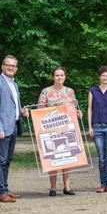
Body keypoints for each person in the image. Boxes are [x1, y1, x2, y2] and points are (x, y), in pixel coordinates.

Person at [0, 55, 29, 202]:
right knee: (0, 160)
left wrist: (21, 113)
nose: (10, 68)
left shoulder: (14, 84)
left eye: (13, 66)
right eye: (8, 65)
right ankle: (0, 193)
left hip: (13, 127)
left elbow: (13, 106)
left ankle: (5, 189)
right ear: (2, 66)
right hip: (2, 130)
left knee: (7, 160)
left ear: (16, 69)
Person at [38, 66, 82, 196]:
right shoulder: (45, 92)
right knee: (53, 156)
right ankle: (53, 188)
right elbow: (39, 111)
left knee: (67, 157)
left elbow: (73, 109)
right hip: (50, 129)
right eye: (57, 75)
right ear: (53, 77)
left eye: (62, 75)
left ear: (65, 76)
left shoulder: (70, 92)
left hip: (67, 129)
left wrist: (78, 113)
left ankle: (67, 187)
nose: (59, 77)